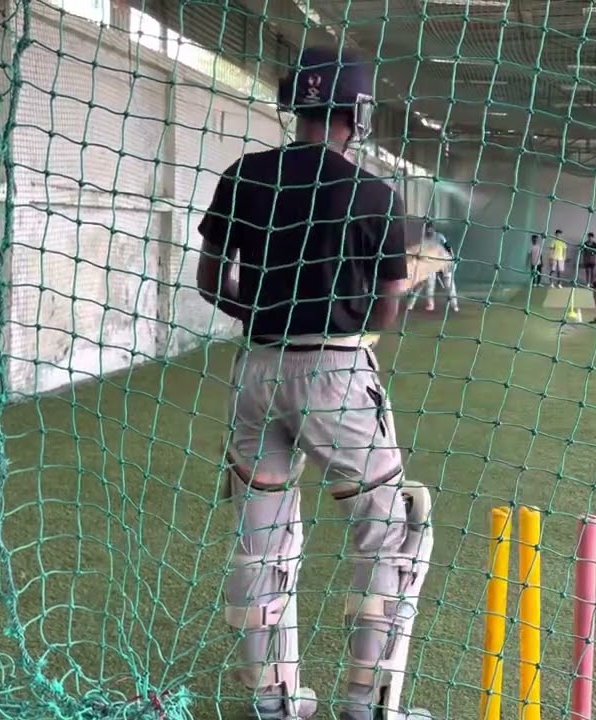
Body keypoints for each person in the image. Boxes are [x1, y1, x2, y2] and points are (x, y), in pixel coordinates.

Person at [195, 45, 434, 720]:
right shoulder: (375, 194)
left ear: (293, 104)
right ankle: (369, 706)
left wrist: (272, 314)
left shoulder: (243, 176)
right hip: (335, 369)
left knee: (260, 535)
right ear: (355, 113)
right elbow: (387, 307)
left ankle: (277, 704)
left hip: (255, 370)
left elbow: (212, 280)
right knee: (393, 530)